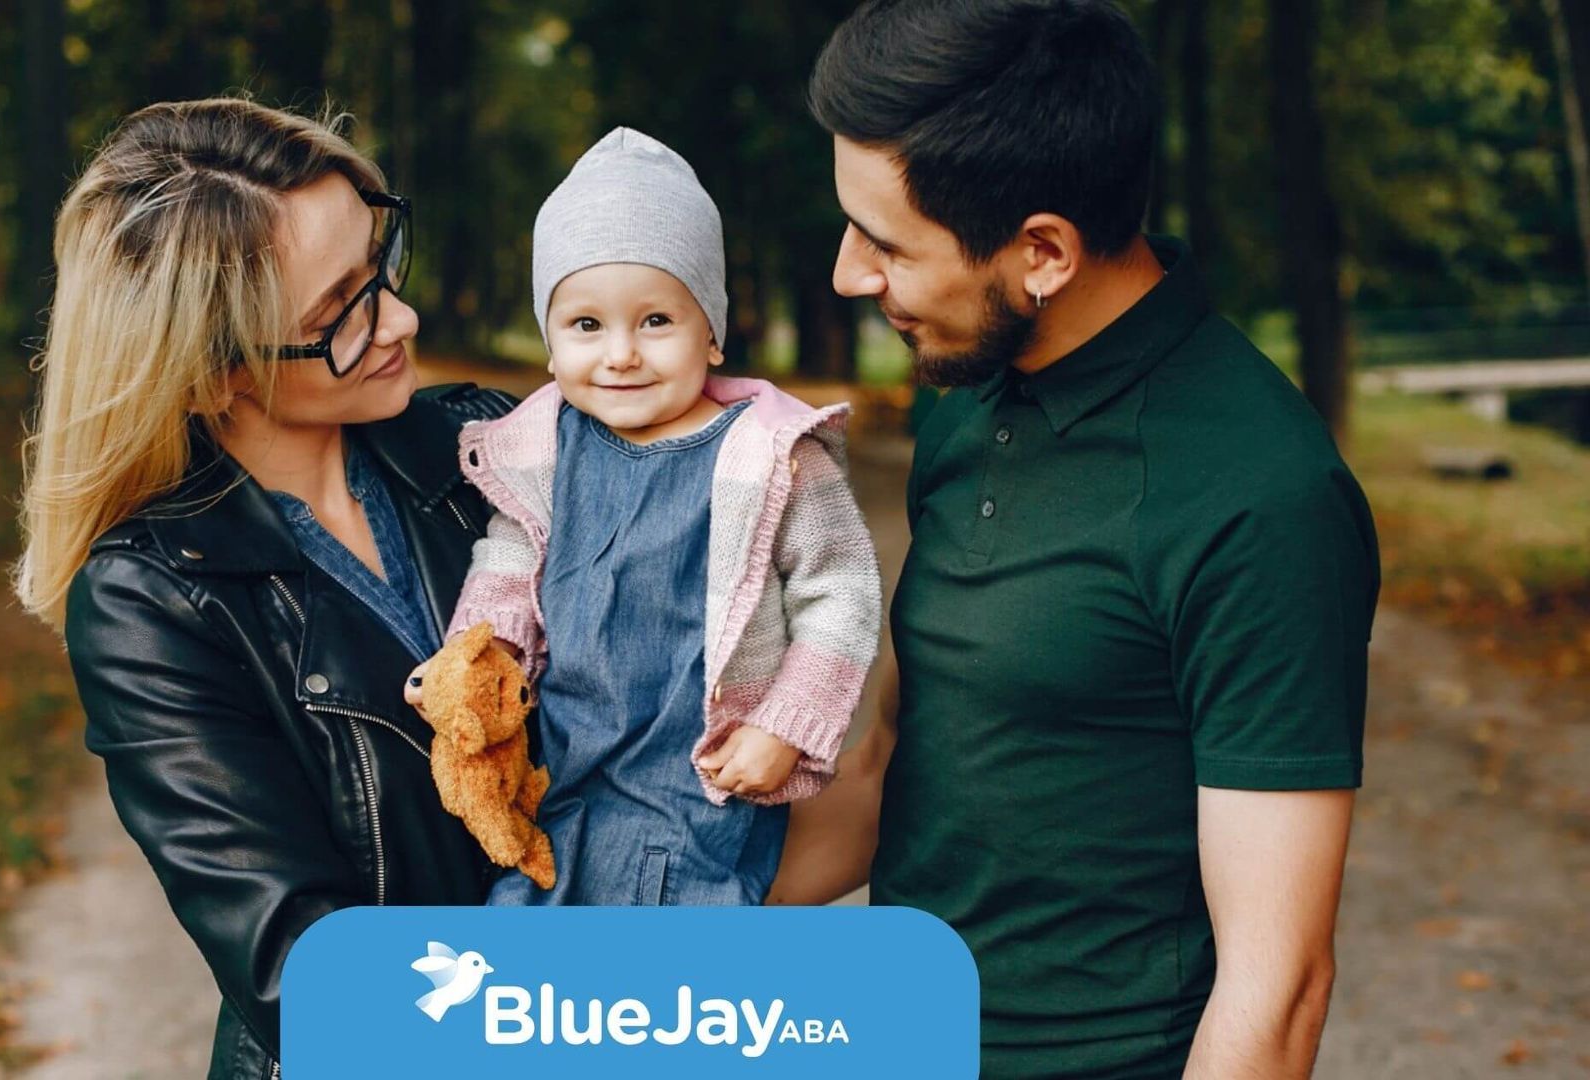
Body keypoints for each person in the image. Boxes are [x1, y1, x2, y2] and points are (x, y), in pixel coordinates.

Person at [771, 2, 1380, 1077]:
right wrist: (630, 934)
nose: (848, 275)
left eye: (887, 244)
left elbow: (1278, 985)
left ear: (1042, 250)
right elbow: (894, 766)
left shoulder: (1259, 496)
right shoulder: (968, 391)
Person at [14, 98, 515, 1080]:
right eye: (337, 314)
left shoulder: (491, 449)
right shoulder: (152, 602)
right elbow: (308, 976)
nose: (402, 321)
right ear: (207, 374)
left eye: (380, 270)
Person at [406, 128, 883, 906]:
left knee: (673, 951)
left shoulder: (772, 456)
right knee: (533, 937)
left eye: (656, 320)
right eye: (587, 325)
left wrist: (787, 725)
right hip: (565, 767)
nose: (621, 354)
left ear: (714, 330)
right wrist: (476, 659)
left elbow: (843, 594)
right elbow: (509, 561)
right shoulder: (542, 451)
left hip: (699, 780)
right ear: (552, 343)